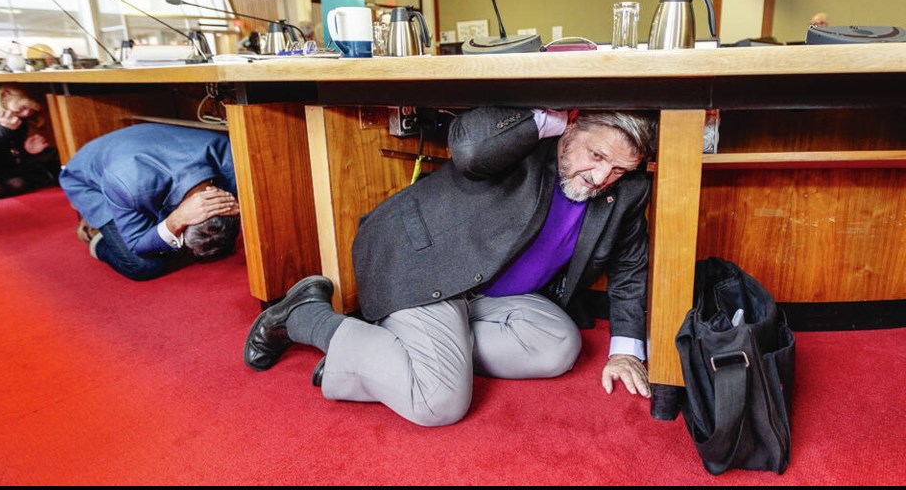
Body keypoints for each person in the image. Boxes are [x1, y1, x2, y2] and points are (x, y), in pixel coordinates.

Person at [244, 106, 658, 427]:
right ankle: (303, 316)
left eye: (619, 169)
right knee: (439, 403)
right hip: (426, 263)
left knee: (558, 346)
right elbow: (471, 147)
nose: (602, 176)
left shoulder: (626, 190)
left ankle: (389, 357)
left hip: (488, 297)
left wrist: (625, 351)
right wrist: (546, 116)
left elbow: (630, 267)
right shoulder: (525, 142)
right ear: (572, 125)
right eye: (597, 155)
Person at [58, 123, 241, 281]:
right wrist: (174, 221)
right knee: (143, 265)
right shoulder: (127, 185)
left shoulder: (233, 160)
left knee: (218, 248)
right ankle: (97, 237)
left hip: (142, 147)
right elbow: (137, 243)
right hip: (89, 178)